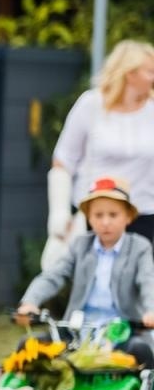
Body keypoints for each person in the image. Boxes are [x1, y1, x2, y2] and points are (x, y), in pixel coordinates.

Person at [20, 177, 154, 364]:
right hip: (77, 332)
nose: (105, 222)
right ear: (89, 218)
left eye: (113, 215)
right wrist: (30, 302)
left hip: (122, 333)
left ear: (128, 217)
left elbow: (148, 281)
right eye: (98, 215)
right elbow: (53, 275)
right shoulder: (80, 245)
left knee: (141, 350)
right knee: (28, 345)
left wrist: (150, 310)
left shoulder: (140, 247)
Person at [44, 40, 154, 268]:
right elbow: (63, 161)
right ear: (129, 73)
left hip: (144, 215)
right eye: (150, 71)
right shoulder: (90, 105)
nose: (153, 77)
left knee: (141, 290)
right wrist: (59, 214)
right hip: (96, 215)